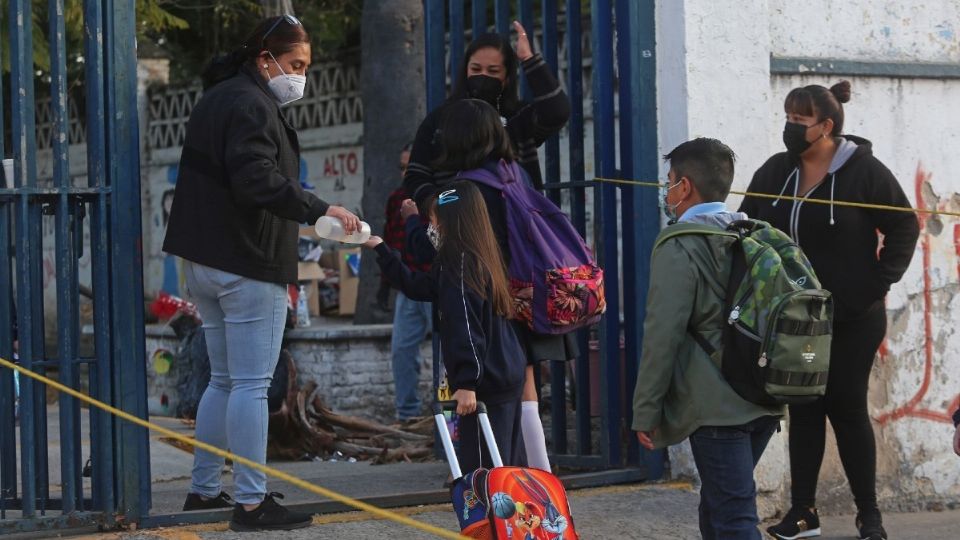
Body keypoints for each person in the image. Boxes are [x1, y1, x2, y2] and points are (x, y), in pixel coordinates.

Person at [162, 14, 361, 532]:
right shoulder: (252, 104)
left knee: (224, 381)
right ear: (264, 58)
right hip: (246, 261)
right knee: (250, 384)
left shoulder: (218, 98)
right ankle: (250, 503)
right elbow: (257, 180)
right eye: (295, 64)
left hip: (205, 263)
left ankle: (204, 491)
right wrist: (320, 209)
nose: (300, 76)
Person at [740, 81, 919, 540]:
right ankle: (804, 514)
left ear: (826, 126)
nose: (790, 128)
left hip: (853, 317)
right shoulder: (775, 171)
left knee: (847, 407)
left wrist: (877, 283)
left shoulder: (864, 172)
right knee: (803, 407)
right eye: (788, 118)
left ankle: (870, 516)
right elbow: (747, 225)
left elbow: (903, 224)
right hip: (796, 324)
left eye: (799, 121)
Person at [404, 21, 572, 468]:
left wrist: (531, 60)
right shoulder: (475, 148)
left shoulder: (499, 141)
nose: (482, 77)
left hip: (504, 274)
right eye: (475, 68)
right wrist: (430, 206)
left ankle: (514, 477)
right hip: (489, 268)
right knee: (506, 376)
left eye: (494, 70)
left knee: (501, 379)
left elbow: (556, 110)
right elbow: (416, 176)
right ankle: (523, 476)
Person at [632, 138, 784, 540]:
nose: (666, 191)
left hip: (717, 406)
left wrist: (646, 411)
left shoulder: (680, 245)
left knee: (733, 518)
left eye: (669, 182)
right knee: (718, 510)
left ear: (684, 187)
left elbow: (661, 334)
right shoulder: (754, 235)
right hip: (764, 396)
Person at [364, 181, 526, 472]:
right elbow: (419, 286)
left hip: (483, 382)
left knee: (484, 471)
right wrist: (382, 250)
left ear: (453, 221)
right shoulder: (474, 257)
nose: (431, 227)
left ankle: (490, 516)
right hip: (501, 373)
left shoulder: (460, 264)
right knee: (506, 463)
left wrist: (466, 382)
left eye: (435, 220)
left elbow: (465, 324)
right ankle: (506, 516)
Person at [380, 143, 432, 422]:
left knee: (448, 355)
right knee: (402, 350)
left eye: (408, 167)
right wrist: (386, 282)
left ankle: (451, 418)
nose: (404, 173)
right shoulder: (396, 198)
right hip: (408, 286)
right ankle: (408, 414)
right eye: (401, 167)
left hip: (435, 286)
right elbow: (391, 240)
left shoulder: (435, 196)